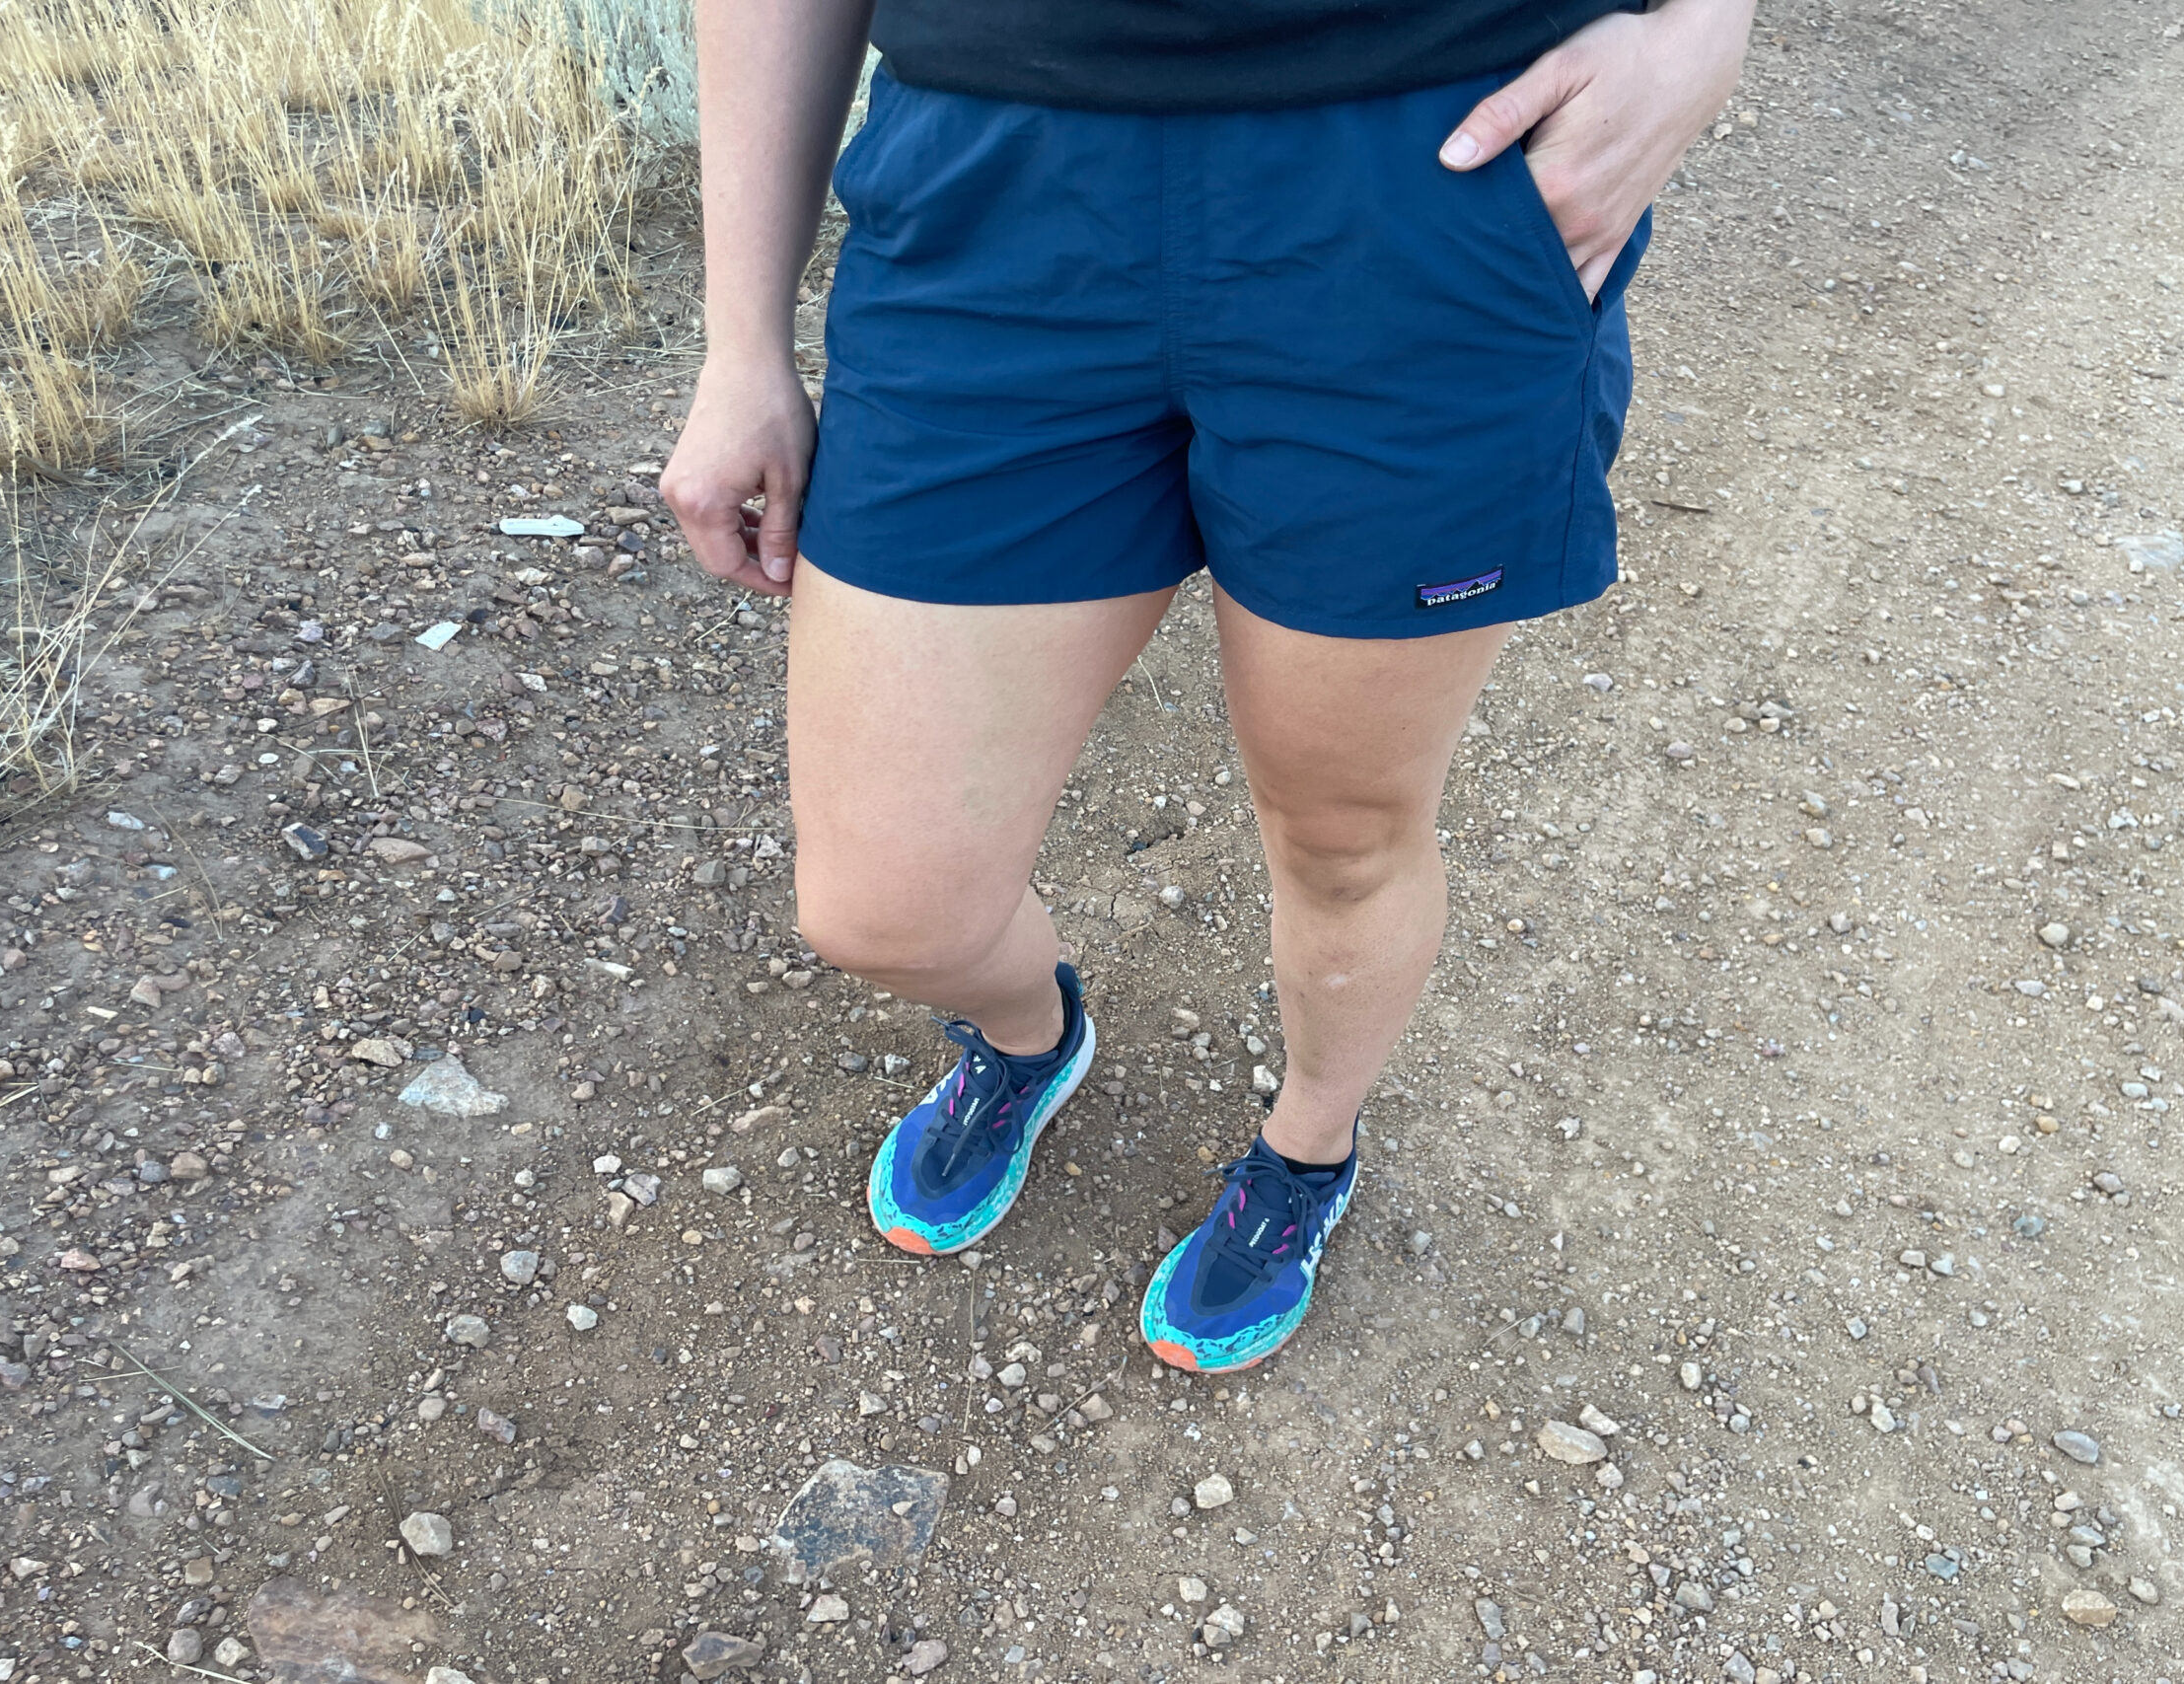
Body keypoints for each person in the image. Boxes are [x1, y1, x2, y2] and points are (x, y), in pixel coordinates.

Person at [662, 0, 1755, 1373]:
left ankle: (1308, 1148)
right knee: (885, 902)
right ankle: (1029, 1033)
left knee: (1345, 825)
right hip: (998, 193)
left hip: (1426, 172)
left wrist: (1706, 31)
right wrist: (741, 341)